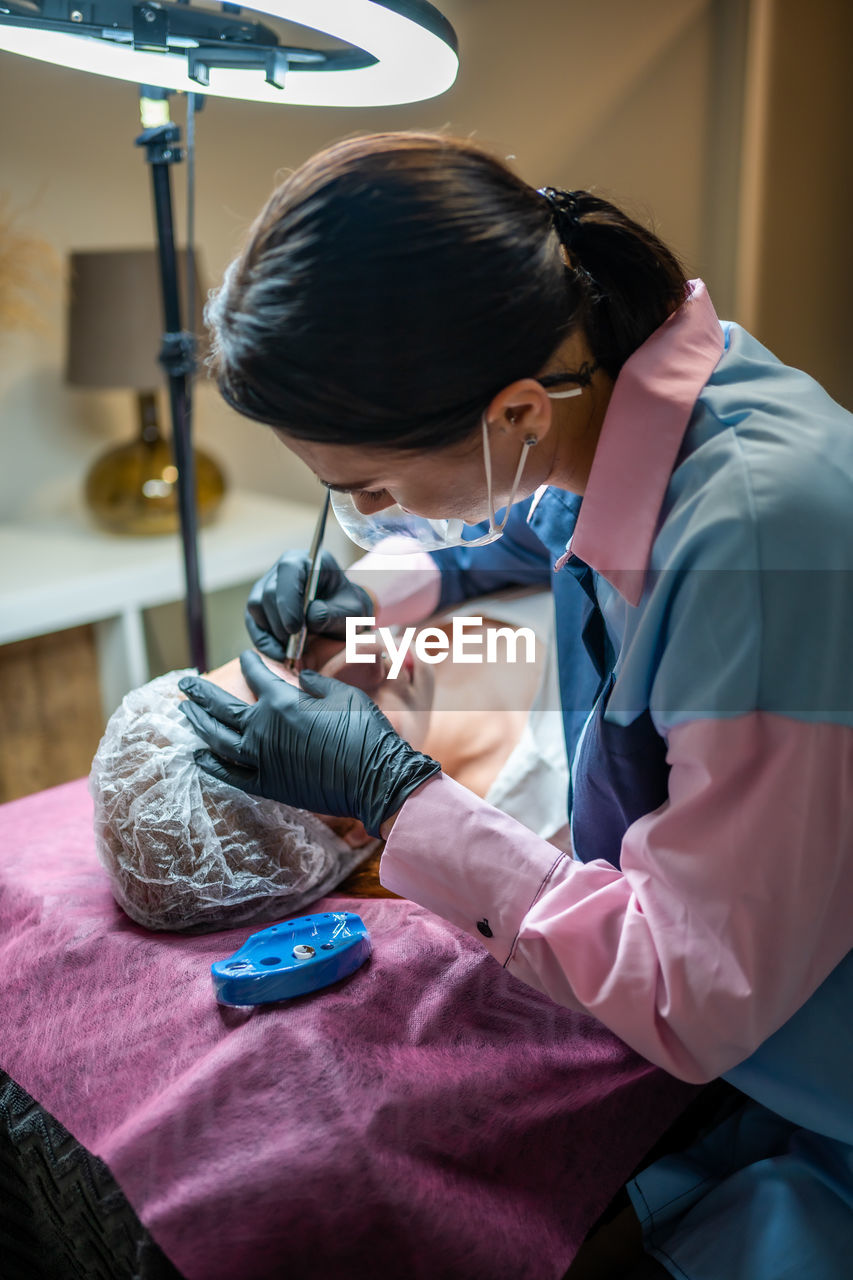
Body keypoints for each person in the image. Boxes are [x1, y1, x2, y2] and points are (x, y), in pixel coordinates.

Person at [179, 132, 853, 1278]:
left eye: (368, 488)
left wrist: (394, 791)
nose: (371, 508)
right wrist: (387, 584)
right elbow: (534, 527)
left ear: (516, 413)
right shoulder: (641, 378)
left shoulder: (756, 533)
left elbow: (697, 992)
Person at [93, 604, 563, 930]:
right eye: (316, 710)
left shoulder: (395, 610)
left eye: (290, 664)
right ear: (358, 828)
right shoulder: (555, 811)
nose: (353, 662)